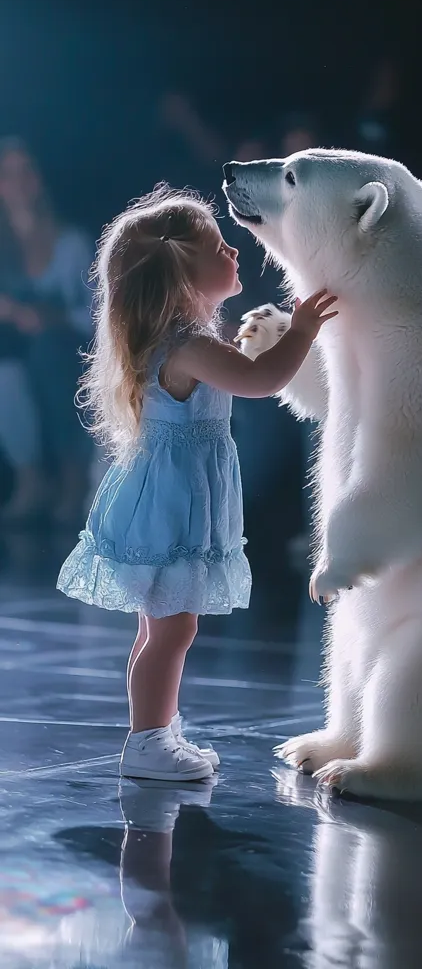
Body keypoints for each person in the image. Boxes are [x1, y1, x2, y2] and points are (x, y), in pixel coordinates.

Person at [57, 186, 337, 782]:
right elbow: (261, 379)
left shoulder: (176, 343)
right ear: (183, 275)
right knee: (174, 626)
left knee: (159, 627)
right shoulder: (185, 346)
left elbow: (238, 372)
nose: (233, 251)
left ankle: (155, 730)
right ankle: (149, 740)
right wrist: (304, 328)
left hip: (168, 495)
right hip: (174, 502)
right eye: (217, 245)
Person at [0, 137, 93, 525]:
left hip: (64, 351)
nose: (18, 182)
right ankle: (30, 479)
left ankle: (73, 480)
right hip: (11, 352)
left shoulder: (70, 243)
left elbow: (96, 313)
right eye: (8, 174)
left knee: (50, 356)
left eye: (26, 171)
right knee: (7, 375)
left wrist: (48, 319)